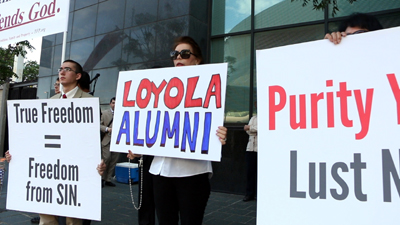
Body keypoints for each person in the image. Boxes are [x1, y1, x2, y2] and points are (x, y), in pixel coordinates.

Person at [128, 36, 227, 225]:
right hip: (160, 172)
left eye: (185, 53)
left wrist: (220, 136)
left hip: (192, 172)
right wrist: (138, 146)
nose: (178, 58)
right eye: (175, 54)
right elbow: (154, 130)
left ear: (197, 59)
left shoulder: (209, 90)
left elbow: (212, 128)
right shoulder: (160, 88)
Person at [6, 59, 106, 225]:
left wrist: (100, 161)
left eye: (67, 69)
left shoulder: (89, 102)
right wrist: (17, 154)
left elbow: (93, 139)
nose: (62, 72)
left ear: (78, 76)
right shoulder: (49, 102)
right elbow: (37, 136)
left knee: (73, 219)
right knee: (46, 218)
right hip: (49, 170)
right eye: (61, 69)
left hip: (75, 168)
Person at [100, 97, 119, 187]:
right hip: (107, 139)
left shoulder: (122, 113)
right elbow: (98, 125)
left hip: (117, 141)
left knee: (113, 160)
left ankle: (108, 179)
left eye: (116, 103)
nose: (114, 105)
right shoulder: (104, 113)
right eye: (113, 103)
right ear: (110, 104)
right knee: (106, 159)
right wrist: (107, 129)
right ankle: (101, 178)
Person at [243, 101, 257, 202]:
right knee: (250, 172)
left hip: (259, 149)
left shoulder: (267, 117)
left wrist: (250, 128)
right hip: (250, 148)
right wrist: (250, 129)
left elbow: (261, 128)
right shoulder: (253, 118)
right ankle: (249, 194)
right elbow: (247, 131)